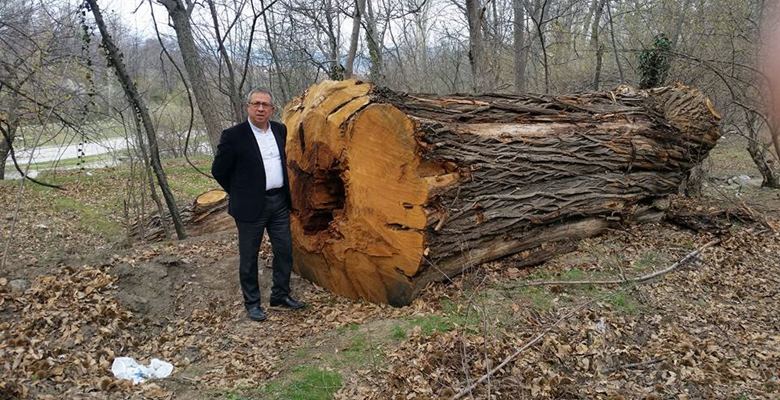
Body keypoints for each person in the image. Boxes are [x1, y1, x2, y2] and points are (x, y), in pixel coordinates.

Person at [211, 88, 305, 322]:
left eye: (265, 105)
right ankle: (252, 303)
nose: (261, 108)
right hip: (250, 207)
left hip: (279, 202)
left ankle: (280, 295)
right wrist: (239, 192)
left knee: (284, 250)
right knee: (249, 256)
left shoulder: (280, 130)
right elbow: (219, 170)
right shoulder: (234, 136)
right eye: (256, 104)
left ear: (272, 109)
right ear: (248, 107)